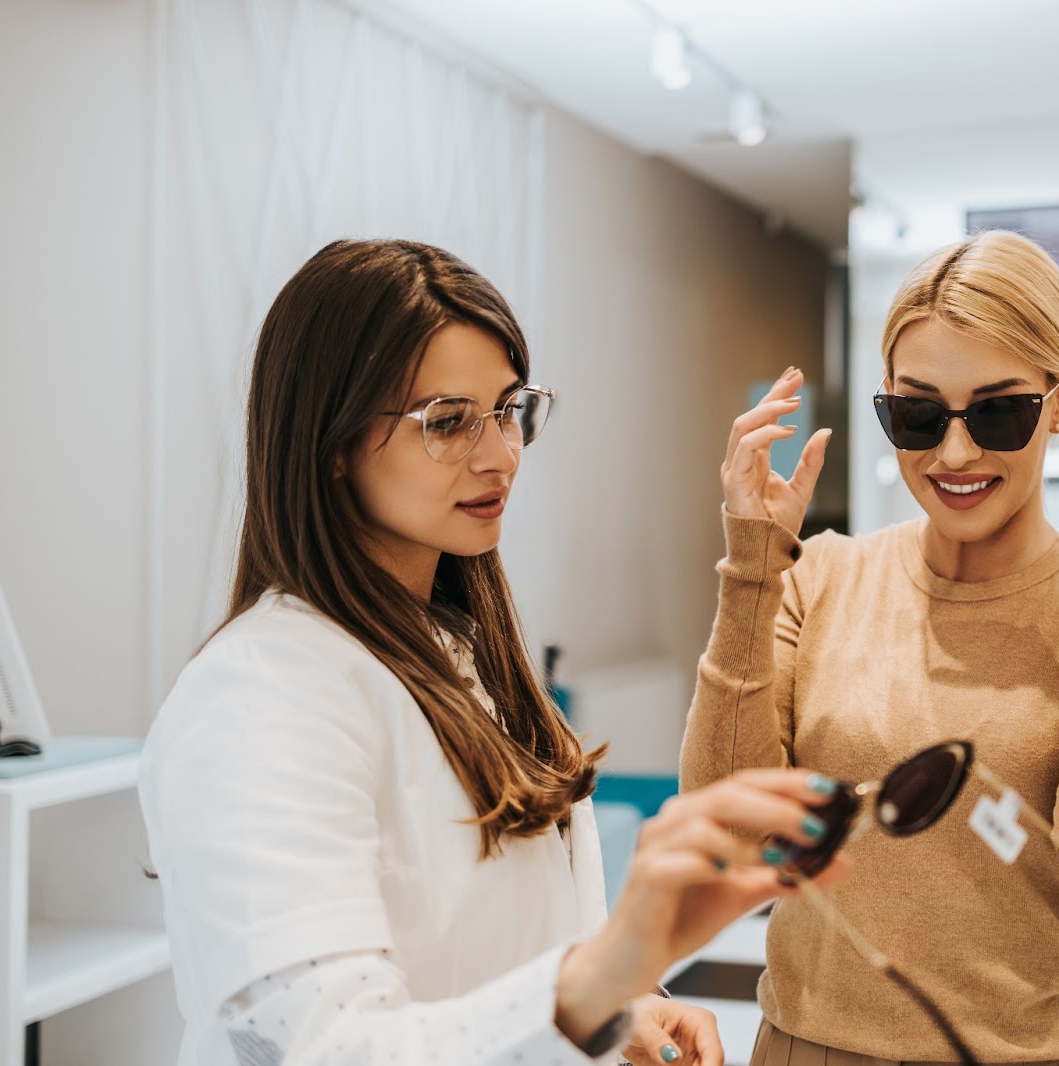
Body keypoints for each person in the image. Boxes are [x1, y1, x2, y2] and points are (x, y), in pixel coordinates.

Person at [138, 239, 846, 1066]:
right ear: (329, 445)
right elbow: (330, 1045)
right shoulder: (260, 695)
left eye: (509, 409)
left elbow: (511, 939)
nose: (499, 453)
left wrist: (627, 1008)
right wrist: (592, 985)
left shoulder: (465, 655)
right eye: (447, 421)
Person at [681, 230, 1059, 1065]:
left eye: (1000, 411)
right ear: (886, 400)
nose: (955, 453)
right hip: (804, 1045)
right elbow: (732, 830)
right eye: (918, 414)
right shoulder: (825, 576)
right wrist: (751, 570)